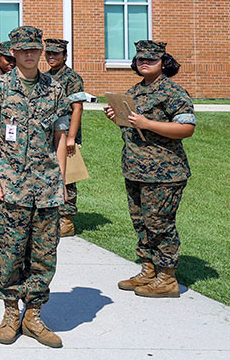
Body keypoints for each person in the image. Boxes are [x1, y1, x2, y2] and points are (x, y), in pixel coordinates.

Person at [0, 25, 71, 348]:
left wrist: (59, 179)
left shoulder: (55, 91)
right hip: (10, 187)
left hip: (45, 187)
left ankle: (33, 315)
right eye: (24, 49)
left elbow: (61, 138)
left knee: (44, 255)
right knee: (11, 253)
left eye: (35, 49)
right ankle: (9, 311)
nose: (30, 54)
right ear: (13, 53)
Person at [105, 40, 196, 299]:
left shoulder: (173, 92)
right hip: (135, 168)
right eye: (140, 59)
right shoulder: (134, 91)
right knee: (141, 223)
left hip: (164, 171)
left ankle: (167, 277)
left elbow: (187, 129)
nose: (144, 63)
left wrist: (147, 122)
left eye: (151, 60)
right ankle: (148, 269)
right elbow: (133, 128)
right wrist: (117, 117)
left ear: (163, 62)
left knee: (160, 224)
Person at [43, 39, 90, 237]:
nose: (52, 57)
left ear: (65, 56)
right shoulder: (45, 77)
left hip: (66, 133)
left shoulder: (72, 78)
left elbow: (77, 108)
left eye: (56, 54)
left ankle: (67, 219)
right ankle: (51, 216)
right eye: (49, 54)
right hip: (48, 133)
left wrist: (71, 137)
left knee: (67, 176)